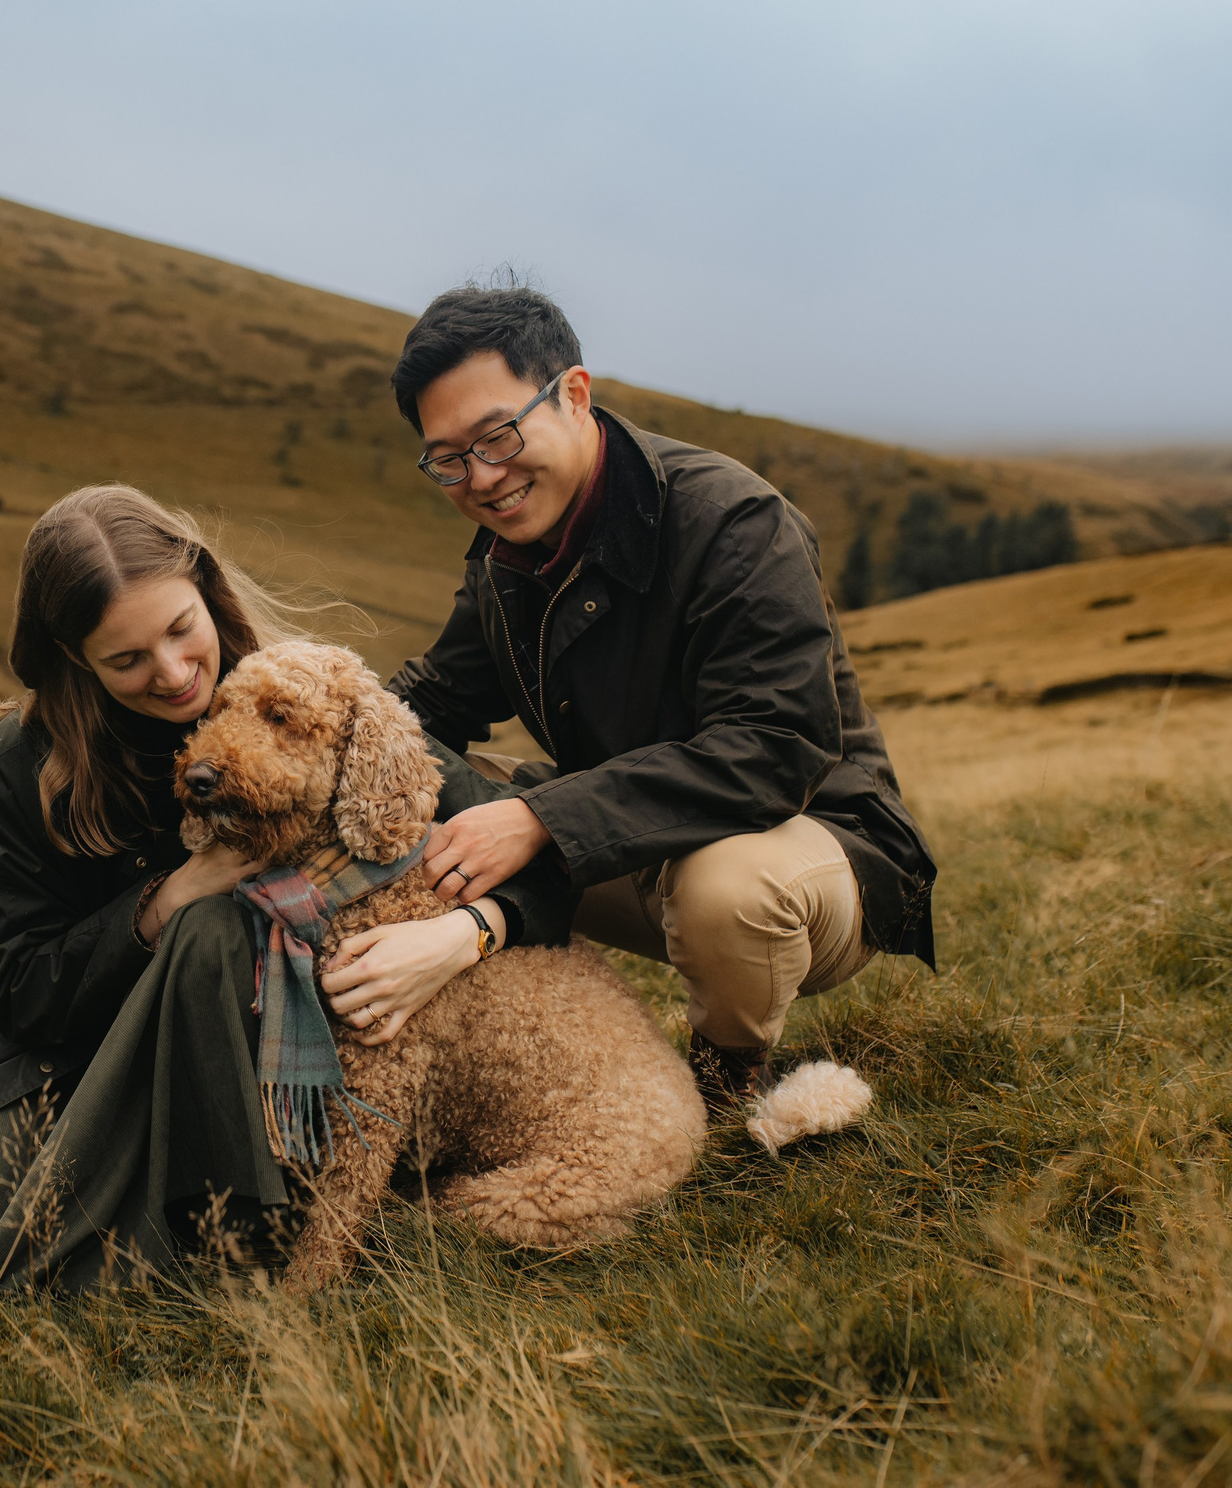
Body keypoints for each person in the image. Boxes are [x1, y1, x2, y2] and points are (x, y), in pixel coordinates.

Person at [0, 484, 576, 1313]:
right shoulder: (24, 761)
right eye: (127, 659)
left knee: (218, 932)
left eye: (182, 630)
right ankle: (29, 1215)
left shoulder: (292, 692)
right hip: (69, 1056)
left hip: (245, 1067)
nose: (174, 674)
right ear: (75, 659)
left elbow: (526, 842)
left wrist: (468, 932)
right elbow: (20, 989)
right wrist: (166, 898)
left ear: (208, 594)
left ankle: (230, 1235)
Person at [382, 283, 938, 1108]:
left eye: (498, 436)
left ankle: (722, 1084)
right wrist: (318, 739)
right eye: (449, 458)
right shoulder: (506, 557)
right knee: (398, 785)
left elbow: (777, 747)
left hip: (810, 847)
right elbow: (435, 701)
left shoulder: (735, 523)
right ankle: (469, 1057)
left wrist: (541, 817)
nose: (482, 477)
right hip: (633, 844)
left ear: (574, 394)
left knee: (725, 887)